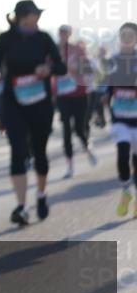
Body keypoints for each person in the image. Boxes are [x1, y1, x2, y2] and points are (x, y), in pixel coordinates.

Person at [0, 0, 66, 225]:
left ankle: (41, 195)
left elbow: (60, 67)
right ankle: (22, 207)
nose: (39, 18)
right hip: (14, 102)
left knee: (39, 152)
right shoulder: (5, 39)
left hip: (40, 104)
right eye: (35, 15)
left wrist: (48, 69)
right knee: (17, 151)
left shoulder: (43, 38)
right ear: (24, 17)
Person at [54, 24, 97, 178]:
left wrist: (75, 68)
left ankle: (87, 148)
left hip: (79, 94)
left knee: (79, 128)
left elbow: (88, 70)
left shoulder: (77, 50)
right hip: (63, 95)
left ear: (70, 34)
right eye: (61, 33)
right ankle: (70, 166)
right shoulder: (53, 51)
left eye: (66, 33)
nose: (63, 35)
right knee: (66, 129)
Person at [104, 22, 137, 217]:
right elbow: (106, 84)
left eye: (130, 35)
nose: (126, 38)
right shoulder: (113, 61)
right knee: (122, 152)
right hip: (119, 118)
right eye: (123, 35)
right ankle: (126, 192)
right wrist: (105, 95)